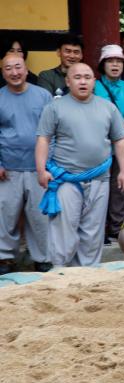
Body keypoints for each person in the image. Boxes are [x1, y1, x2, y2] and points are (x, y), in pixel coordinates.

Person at [35, 63, 124, 266]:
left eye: (87, 77)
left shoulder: (108, 107)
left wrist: (123, 171)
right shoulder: (54, 107)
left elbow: (120, 141)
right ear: (68, 82)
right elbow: (43, 139)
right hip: (66, 179)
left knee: (93, 231)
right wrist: (41, 170)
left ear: (94, 82)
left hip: (100, 178)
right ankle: (60, 271)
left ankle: (87, 275)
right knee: (64, 229)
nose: (83, 81)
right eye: (77, 77)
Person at [0, 54, 52, 274]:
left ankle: (42, 258)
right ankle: (4, 258)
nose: (14, 72)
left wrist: (49, 164)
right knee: (5, 215)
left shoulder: (43, 95)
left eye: (18, 67)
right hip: (7, 169)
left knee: (40, 217)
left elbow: (54, 132)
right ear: (2, 72)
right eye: (8, 68)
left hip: (38, 168)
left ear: (26, 68)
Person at [94, 45, 124, 244]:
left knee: (119, 188)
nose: (115, 65)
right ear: (103, 65)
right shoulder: (94, 86)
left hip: (121, 146)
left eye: (119, 61)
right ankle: (98, 230)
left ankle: (115, 229)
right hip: (99, 145)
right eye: (110, 61)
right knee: (98, 189)